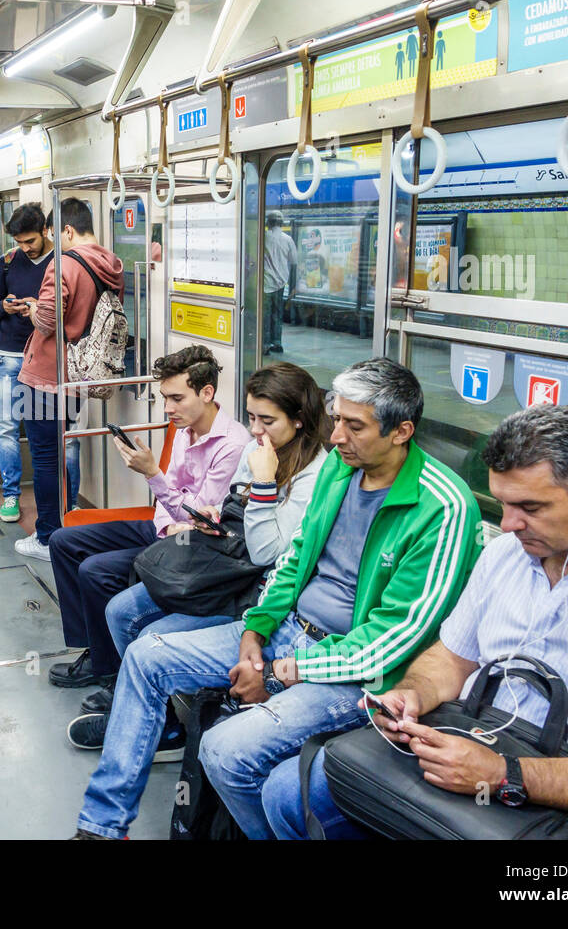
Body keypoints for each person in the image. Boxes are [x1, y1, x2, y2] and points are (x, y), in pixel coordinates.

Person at [70, 357, 480, 839]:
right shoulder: (341, 472)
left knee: (224, 753)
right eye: (337, 422)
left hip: (353, 672)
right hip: (285, 631)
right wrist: (255, 631)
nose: (337, 438)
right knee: (145, 657)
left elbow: (394, 638)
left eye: (354, 426)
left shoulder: (443, 507)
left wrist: (291, 669)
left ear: (401, 431)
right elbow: (294, 560)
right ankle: (102, 825)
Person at [263, 404, 568, 840]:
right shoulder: (506, 555)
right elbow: (452, 656)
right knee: (287, 794)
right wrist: (412, 693)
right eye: (502, 504)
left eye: (530, 507)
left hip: (560, 799)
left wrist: (503, 774)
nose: (508, 524)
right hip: (466, 741)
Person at [102, 361, 332, 675]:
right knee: (118, 610)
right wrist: (214, 517)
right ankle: (141, 694)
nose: (255, 430)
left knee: (148, 638)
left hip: (252, 587)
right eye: (251, 417)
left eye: (267, 420)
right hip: (225, 563)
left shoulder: (314, 474)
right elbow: (234, 510)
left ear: (299, 420)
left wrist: (264, 484)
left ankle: (156, 704)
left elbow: (266, 553)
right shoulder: (258, 447)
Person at [47, 346, 250, 700]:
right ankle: (95, 651)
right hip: (167, 529)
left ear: (207, 393)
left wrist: (152, 474)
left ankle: (111, 672)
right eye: (164, 398)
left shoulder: (232, 445)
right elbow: (171, 498)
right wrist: (165, 520)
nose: (168, 408)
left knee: (96, 570)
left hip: (195, 544)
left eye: (176, 398)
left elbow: (199, 515)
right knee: (64, 541)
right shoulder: (187, 429)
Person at [16, 197, 123, 561]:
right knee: (63, 453)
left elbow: (47, 321)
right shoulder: (109, 264)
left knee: (46, 458)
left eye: (53, 233)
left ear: (67, 229)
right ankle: (67, 525)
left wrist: (32, 308)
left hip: (46, 374)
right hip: (78, 374)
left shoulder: (63, 264)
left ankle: (48, 536)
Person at [0, 202, 53, 523]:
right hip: (9, 352)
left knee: (62, 431)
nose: (25, 248)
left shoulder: (61, 262)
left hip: (48, 353)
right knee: (8, 427)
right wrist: (6, 308)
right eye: (20, 243)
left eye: (31, 242)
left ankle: (66, 500)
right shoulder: (8, 263)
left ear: (45, 231)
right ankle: (11, 495)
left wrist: (39, 308)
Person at [262, 211, 302, 355]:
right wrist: (292, 285)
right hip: (280, 283)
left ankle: (265, 344)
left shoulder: (264, 237)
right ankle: (277, 342)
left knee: (265, 314)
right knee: (277, 313)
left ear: (269, 223)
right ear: (281, 223)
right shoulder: (288, 239)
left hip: (265, 283)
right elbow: (294, 261)